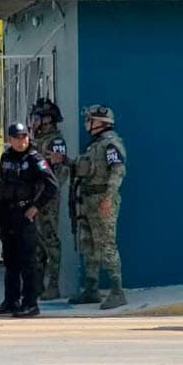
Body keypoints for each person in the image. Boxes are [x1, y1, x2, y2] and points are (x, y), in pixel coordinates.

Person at [0, 122, 58, 318]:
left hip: (24, 214)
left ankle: (30, 303)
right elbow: (0, 186)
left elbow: (51, 185)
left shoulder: (34, 159)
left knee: (27, 261)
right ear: (9, 139)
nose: (21, 142)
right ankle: (11, 300)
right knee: (10, 260)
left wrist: (35, 207)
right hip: (7, 215)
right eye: (16, 138)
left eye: (24, 137)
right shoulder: (6, 157)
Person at [69, 105, 127, 309]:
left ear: (100, 122)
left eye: (89, 120)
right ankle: (91, 289)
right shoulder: (94, 145)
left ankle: (117, 290)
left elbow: (117, 170)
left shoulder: (111, 144)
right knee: (89, 245)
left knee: (106, 246)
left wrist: (109, 198)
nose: (86, 123)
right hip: (88, 201)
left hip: (102, 200)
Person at [30, 99, 69, 300]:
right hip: (34, 196)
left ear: (48, 120)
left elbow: (61, 172)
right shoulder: (37, 140)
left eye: (38, 117)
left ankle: (53, 285)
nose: (34, 121)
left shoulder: (55, 141)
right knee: (37, 242)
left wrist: (48, 193)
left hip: (47, 198)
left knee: (50, 239)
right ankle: (37, 284)